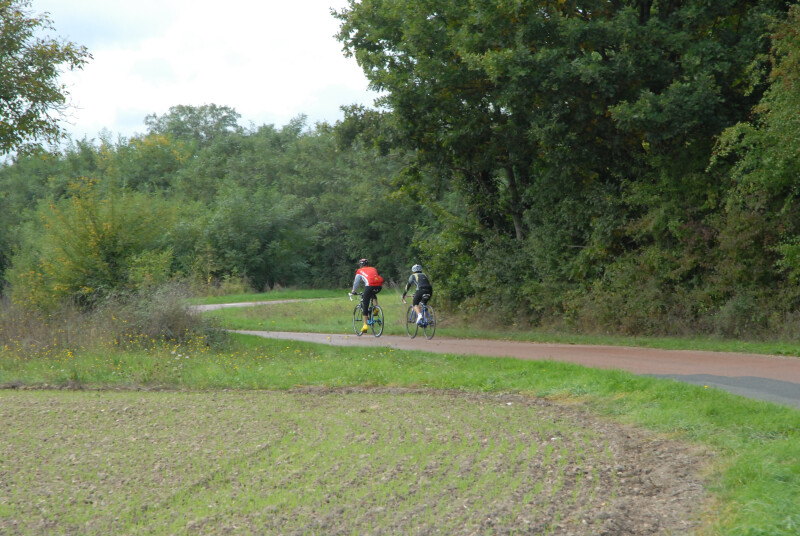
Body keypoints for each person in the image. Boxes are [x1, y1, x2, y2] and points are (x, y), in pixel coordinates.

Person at [350, 258, 384, 333]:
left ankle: (365, 325)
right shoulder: (373, 268)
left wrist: (353, 291)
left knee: (365, 304)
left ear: (360, 265)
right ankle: (376, 307)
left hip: (369, 286)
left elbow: (356, 282)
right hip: (379, 286)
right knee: (372, 293)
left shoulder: (359, 271)